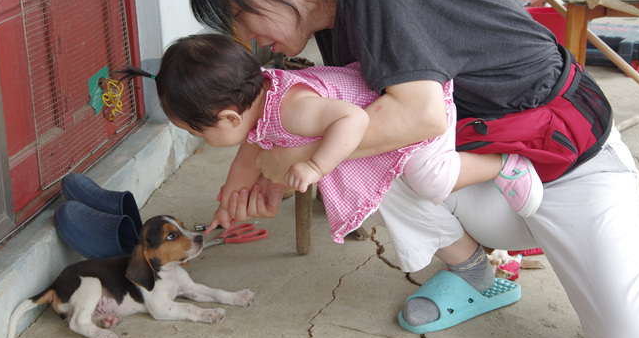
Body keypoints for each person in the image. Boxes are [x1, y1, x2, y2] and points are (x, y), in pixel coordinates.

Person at [186, 0, 639, 338]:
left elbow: (423, 118)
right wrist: (265, 165)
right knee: (357, 143)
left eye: (239, 15)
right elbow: (339, 121)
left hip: (565, 160)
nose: (244, 36)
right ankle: (478, 275)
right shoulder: (328, 18)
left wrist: (294, 161)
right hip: (496, 174)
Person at [118, 34, 542, 255]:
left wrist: (317, 166)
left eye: (197, 132)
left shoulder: (292, 109)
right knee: (418, 185)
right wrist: (231, 196)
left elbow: (355, 119)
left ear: (229, 117)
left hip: (418, 110)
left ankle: (505, 165)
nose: (199, 140)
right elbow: (248, 159)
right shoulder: (258, 104)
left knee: (430, 179)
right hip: (383, 115)